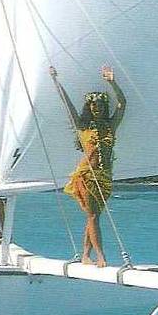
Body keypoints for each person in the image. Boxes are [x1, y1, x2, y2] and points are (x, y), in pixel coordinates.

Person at [50, 64, 126, 267]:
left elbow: (122, 104)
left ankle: (85, 255)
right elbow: (68, 106)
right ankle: (100, 255)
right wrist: (56, 82)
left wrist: (112, 82)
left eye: (100, 105)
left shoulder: (110, 126)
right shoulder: (82, 127)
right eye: (93, 106)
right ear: (89, 108)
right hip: (86, 176)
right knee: (93, 215)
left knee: (94, 216)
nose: (97, 108)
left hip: (105, 176)